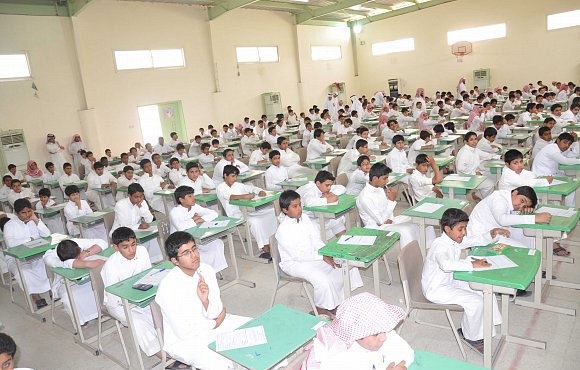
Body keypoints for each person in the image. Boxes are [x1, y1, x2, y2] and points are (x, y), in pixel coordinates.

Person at [155, 231, 250, 370]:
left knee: (253, 328)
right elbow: (183, 332)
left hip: (212, 325)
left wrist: (205, 301)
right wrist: (214, 323)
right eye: (186, 253)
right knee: (222, 363)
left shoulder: (206, 270)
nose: (194, 256)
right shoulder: (168, 287)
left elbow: (218, 309)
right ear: (175, 260)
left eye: (194, 249)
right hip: (186, 341)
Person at [422, 208, 505, 352]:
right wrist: (472, 264)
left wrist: (490, 235)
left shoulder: (454, 239)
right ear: (447, 229)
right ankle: (471, 337)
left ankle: (486, 325)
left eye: (465, 228)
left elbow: (472, 240)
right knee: (476, 301)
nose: (464, 232)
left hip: (449, 281)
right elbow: (446, 265)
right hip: (436, 289)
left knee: (483, 288)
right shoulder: (439, 246)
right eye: (461, 229)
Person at [276, 190, 362, 318]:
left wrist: (326, 253)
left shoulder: (304, 218)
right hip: (294, 263)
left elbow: (316, 240)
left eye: (300, 205)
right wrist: (322, 257)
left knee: (344, 266)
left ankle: (336, 302)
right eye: (295, 206)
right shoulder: (283, 230)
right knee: (324, 280)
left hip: (313, 255)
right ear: (285, 210)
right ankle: (322, 309)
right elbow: (298, 255)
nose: (299, 209)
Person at [302, 292, 414, 370]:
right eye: (376, 334)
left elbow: (405, 351)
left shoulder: (379, 334)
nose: (384, 337)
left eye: (384, 331)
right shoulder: (339, 360)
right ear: (355, 335)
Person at [101, 227, 161, 358]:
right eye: (125, 247)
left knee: (163, 308)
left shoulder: (142, 251)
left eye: (134, 244)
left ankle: (171, 343)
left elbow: (148, 277)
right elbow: (113, 298)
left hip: (141, 295)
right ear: (116, 247)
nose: (131, 250)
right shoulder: (111, 266)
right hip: (119, 304)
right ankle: (161, 354)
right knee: (138, 322)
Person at [217, 165, 276, 260]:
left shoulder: (238, 185)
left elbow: (251, 188)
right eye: (232, 176)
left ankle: (271, 241)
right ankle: (264, 247)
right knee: (255, 221)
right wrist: (245, 196)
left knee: (271, 212)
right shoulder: (220, 187)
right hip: (236, 215)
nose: (235, 179)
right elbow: (231, 197)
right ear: (225, 175)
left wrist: (260, 191)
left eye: (236, 176)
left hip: (246, 210)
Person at [43, 238, 106, 326]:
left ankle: (100, 311)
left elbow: (102, 242)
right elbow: (66, 263)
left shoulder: (74, 243)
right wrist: (84, 263)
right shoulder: (50, 257)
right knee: (68, 296)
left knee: (99, 283)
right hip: (65, 282)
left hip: (87, 276)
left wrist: (86, 253)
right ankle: (82, 320)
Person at [356, 163, 421, 248]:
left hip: (387, 221)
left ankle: (424, 249)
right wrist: (391, 200)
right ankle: (409, 257)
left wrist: (390, 218)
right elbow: (380, 221)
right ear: (375, 179)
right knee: (406, 230)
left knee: (418, 219)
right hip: (377, 228)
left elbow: (385, 208)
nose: (387, 181)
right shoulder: (365, 197)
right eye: (385, 178)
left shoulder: (379, 188)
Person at [3, 199, 51, 309]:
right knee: (25, 272)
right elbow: (11, 243)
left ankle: (50, 290)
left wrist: (36, 219)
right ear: (16, 213)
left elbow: (47, 234)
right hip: (16, 258)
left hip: (36, 253)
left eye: (29, 211)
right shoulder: (10, 225)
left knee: (46, 264)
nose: (27, 215)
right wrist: (29, 239)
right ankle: (35, 296)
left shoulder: (33, 220)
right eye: (23, 213)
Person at [468, 186, 551, 249]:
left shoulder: (509, 198)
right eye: (522, 201)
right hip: (481, 240)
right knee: (523, 250)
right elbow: (502, 220)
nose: (520, 206)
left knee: (525, 245)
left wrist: (527, 210)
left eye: (524, 205)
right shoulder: (499, 198)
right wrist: (534, 218)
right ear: (515, 192)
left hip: (493, 236)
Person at [169, 186, 227, 273]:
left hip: (195, 237)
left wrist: (201, 219)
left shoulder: (194, 206)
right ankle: (202, 272)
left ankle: (213, 271)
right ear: (181, 200)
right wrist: (194, 220)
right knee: (197, 252)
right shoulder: (175, 212)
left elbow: (213, 213)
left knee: (218, 243)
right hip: (181, 243)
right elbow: (181, 227)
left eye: (193, 195)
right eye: (190, 196)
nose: (193, 198)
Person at [111, 183, 163, 262]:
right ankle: (138, 262)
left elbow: (149, 219)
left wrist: (142, 208)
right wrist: (139, 226)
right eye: (136, 197)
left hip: (136, 231)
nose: (139, 199)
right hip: (120, 233)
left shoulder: (142, 202)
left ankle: (152, 261)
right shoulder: (120, 205)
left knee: (151, 237)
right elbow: (124, 226)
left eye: (141, 196)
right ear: (129, 195)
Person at [297, 170, 347, 241]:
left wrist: (332, 194)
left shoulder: (323, 186)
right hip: (305, 218)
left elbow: (342, 188)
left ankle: (344, 243)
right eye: (327, 185)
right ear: (318, 183)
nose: (329, 188)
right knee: (324, 224)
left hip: (316, 214)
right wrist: (327, 199)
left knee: (337, 219)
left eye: (330, 185)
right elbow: (309, 202)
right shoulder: (309, 189)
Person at [456, 131, 499, 200]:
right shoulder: (465, 152)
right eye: (471, 140)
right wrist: (475, 173)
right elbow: (461, 168)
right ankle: (484, 201)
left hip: (473, 174)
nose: (474, 141)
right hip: (466, 176)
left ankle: (478, 196)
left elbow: (486, 155)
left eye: (475, 139)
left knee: (490, 174)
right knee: (490, 185)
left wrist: (498, 157)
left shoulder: (474, 150)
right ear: (465, 142)